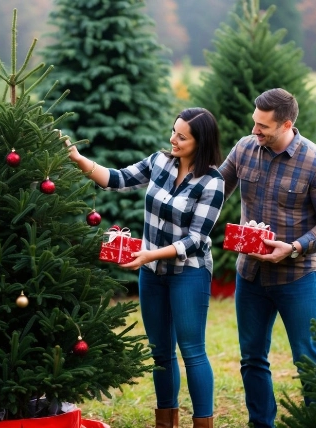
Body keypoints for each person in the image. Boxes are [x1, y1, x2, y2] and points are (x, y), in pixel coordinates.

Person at [67, 108, 224, 428]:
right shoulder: (160, 162)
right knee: (160, 352)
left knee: (192, 350)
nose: (173, 139)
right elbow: (117, 178)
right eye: (173, 131)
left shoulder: (212, 182)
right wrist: (78, 158)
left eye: (182, 136)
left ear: (201, 141)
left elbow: (195, 240)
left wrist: (149, 255)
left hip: (188, 272)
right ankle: (166, 422)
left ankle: (202, 423)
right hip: (152, 273)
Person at [219, 88, 316, 427]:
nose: (254, 131)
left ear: (286, 124)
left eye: (263, 126)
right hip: (250, 274)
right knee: (252, 359)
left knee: (308, 359)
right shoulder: (245, 148)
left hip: (297, 276)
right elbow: (216, 188)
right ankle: (262, 424)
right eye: (253, 123)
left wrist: (293, 247)